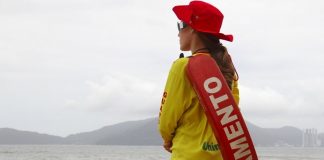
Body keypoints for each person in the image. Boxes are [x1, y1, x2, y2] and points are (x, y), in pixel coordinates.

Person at [158, 1, 240, 159]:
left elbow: (166, 121)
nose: (178, 33)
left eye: (180, 26)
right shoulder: (227, 66)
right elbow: (234, 112)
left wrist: (167, 139)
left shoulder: (183, 66)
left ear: (193, 29)